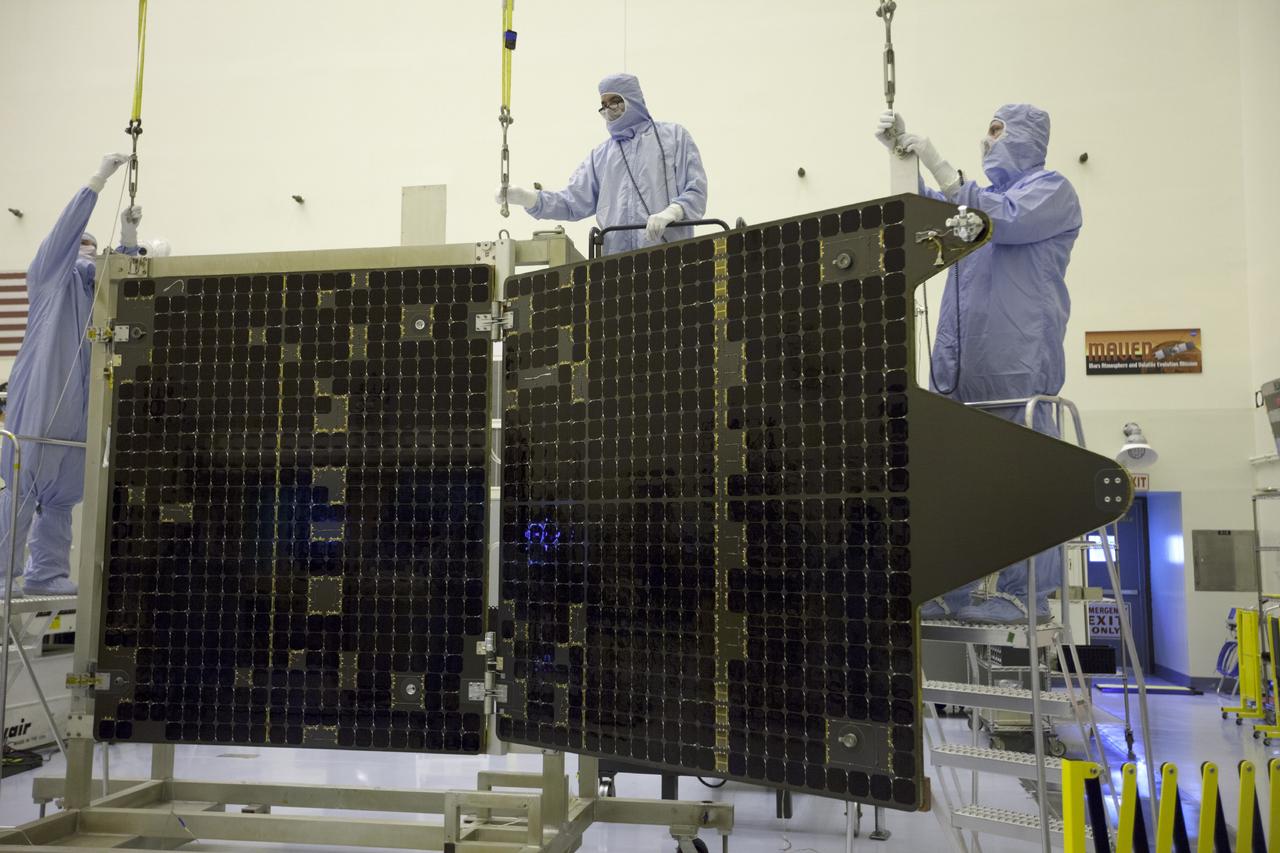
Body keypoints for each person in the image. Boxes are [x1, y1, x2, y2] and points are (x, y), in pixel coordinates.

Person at [876, 104, 1083, 622]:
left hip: (1016, 368)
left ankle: (1022, 595)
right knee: (955, 486)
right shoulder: (975, 204)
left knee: (1021, 485)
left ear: (1025, 137)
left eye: (997, 132)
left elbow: (1002, 221)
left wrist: (943, 165)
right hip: (961, 371)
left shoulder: (1050, 190)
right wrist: (905, 161)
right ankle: (952, 591)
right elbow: (934, 215)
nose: (987, 141)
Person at [0, 153, 142, 597]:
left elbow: (121, 278)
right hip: (42, 398)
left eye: (92, 249)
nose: (88, 252)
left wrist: (130, 234)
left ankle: (45, 573)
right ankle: (3, 574)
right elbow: (63, 236)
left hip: (83, 408)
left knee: (63, 496)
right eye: (83, 245)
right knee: (24, 487)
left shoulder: (94, 292)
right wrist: (97, 184)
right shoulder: (48, 279)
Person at [499, 73, 707, 256]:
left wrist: (673, 212)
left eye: (615, 101)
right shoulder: (601, 156)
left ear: (633, 99)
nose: (609, 109)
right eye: (604, 105)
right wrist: (528, 198)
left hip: (670, 257)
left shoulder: (674, 138)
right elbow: (572, 202)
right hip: (617, 267)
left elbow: (696, 190)